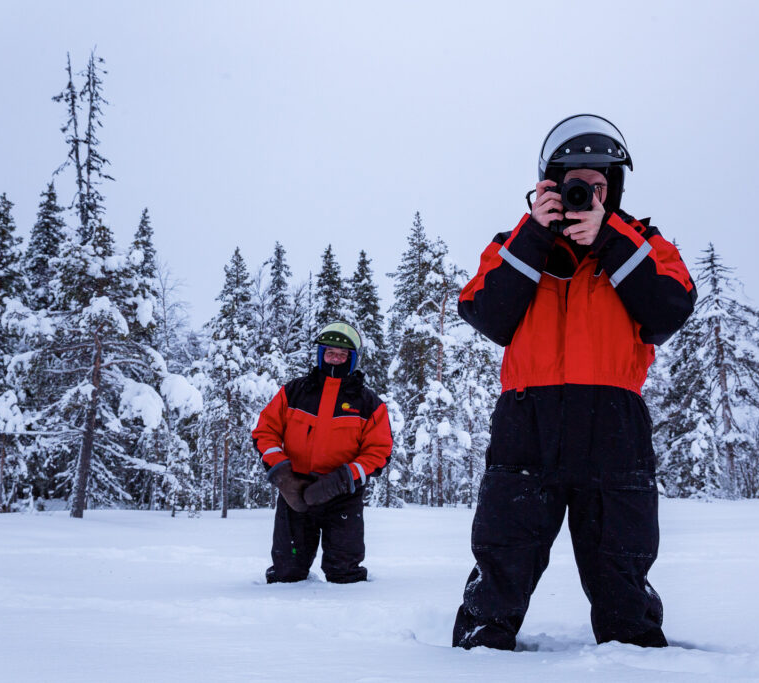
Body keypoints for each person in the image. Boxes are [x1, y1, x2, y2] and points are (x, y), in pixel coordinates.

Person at [452, 114, 697, 650]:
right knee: (505, 547)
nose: (586, 193)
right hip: (527, 417)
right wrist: (535, 236)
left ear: (615, 189)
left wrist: (611, 241)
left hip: (613, 420)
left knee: (622, 553)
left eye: (599, 185)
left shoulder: (642, 244)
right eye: (574, 183)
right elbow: (484, 312)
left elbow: (671, 309)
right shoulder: (514, 244)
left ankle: (633, 653)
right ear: (550, 186)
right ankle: (478, 652)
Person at [252, 321, 392, 584]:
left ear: (352, 360)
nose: (335, 359)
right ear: (320, 355)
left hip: (342, 497)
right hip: (296, 493)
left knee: (345, 575)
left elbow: (379, 451)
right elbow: (265, 431)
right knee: (286, 573)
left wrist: (341, 480)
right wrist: (284, 475)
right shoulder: (293, 392)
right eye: (330, 353)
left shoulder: (369, 404)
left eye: (342, 355)